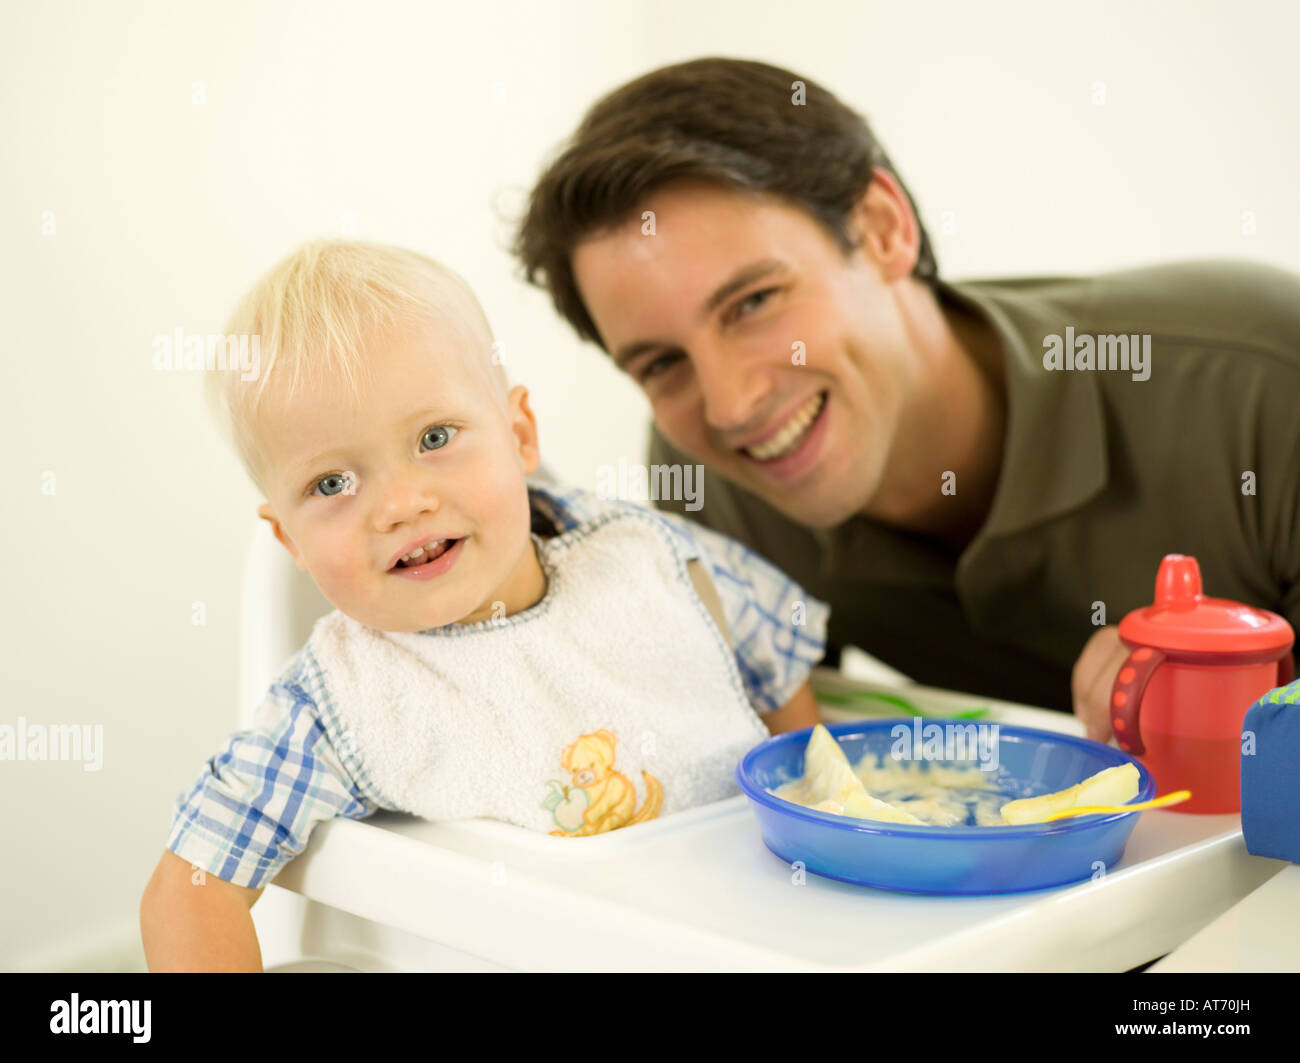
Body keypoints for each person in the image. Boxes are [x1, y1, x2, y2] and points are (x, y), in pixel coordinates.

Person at [513, 56, 1300, 741]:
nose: (729, 404)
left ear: (886, 229)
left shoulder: (1266, 381)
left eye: (753, 302)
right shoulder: (713, 469)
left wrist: (1261, 692)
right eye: (660, 363)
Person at [139, 239, 827, 971]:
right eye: (332, 484)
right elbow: (190, 884)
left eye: (434, 438)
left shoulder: (642, 559)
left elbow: (775, 659)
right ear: (290, 541)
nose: (402, 503)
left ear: (520, 434)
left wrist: (820, 818)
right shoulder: (341, 704)